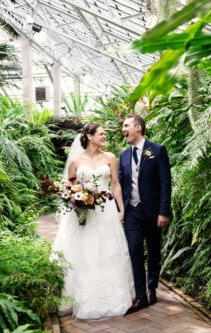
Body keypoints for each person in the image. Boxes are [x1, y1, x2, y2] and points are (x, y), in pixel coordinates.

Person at [52, 122, 135, 319]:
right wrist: (77, 202)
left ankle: (112, 298)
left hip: (106, 212)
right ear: (90, 136)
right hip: (84, 213)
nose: (104, 137)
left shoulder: (110, 158)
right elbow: (68, 189)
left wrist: (121, 209)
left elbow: (115, 185)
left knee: (108, 251)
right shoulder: (75, 161)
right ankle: (80, 298)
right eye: (101, 134)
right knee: (84, 251)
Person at [118, 114, 172, 314]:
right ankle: (140, 296)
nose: (123, 129)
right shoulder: (123, 155)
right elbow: (121, 185)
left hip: (152, 211)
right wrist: (120, 210)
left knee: (153, 251)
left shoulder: (157, 150)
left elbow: (165, 183)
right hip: (132, 211)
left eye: (126, 125)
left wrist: (163, 212)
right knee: (134, 250)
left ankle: (152, 287)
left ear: (138, 127)